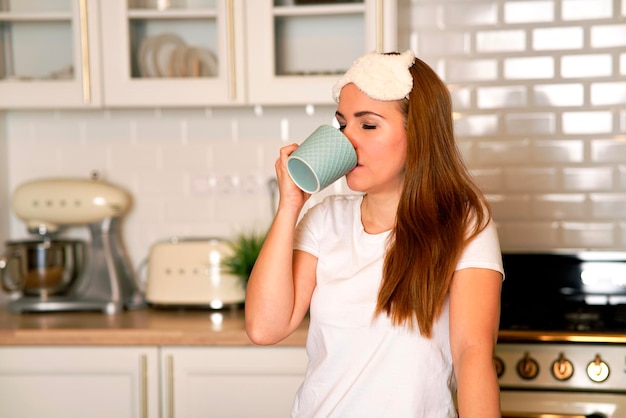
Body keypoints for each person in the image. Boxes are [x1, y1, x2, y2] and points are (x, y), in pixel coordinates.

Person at [245, 50, 504, 418]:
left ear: (418, 136)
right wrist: (290, 204)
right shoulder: (323, 221)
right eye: (342, 124)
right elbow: (264, 327)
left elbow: (472, 355)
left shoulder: (464, 225)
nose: (348, 139)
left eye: (367, 125)